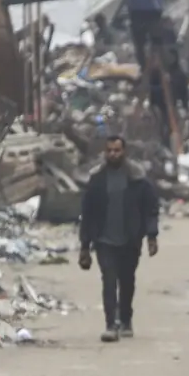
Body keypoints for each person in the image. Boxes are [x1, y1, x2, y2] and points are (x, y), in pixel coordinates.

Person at [78, 137, 161, 342]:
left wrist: (152, 236)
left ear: (124, 152)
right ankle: (110, 324)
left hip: (130, 239)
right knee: (108, 280)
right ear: (105, 152)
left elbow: (150, 208)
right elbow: (87, 213)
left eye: (117, 150)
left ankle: (125, 319)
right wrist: (85, 246)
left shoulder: (137, 178)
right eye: (110, 151)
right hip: (104, 240)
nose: (113, 154)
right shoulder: (97, 179)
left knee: (127, 281)